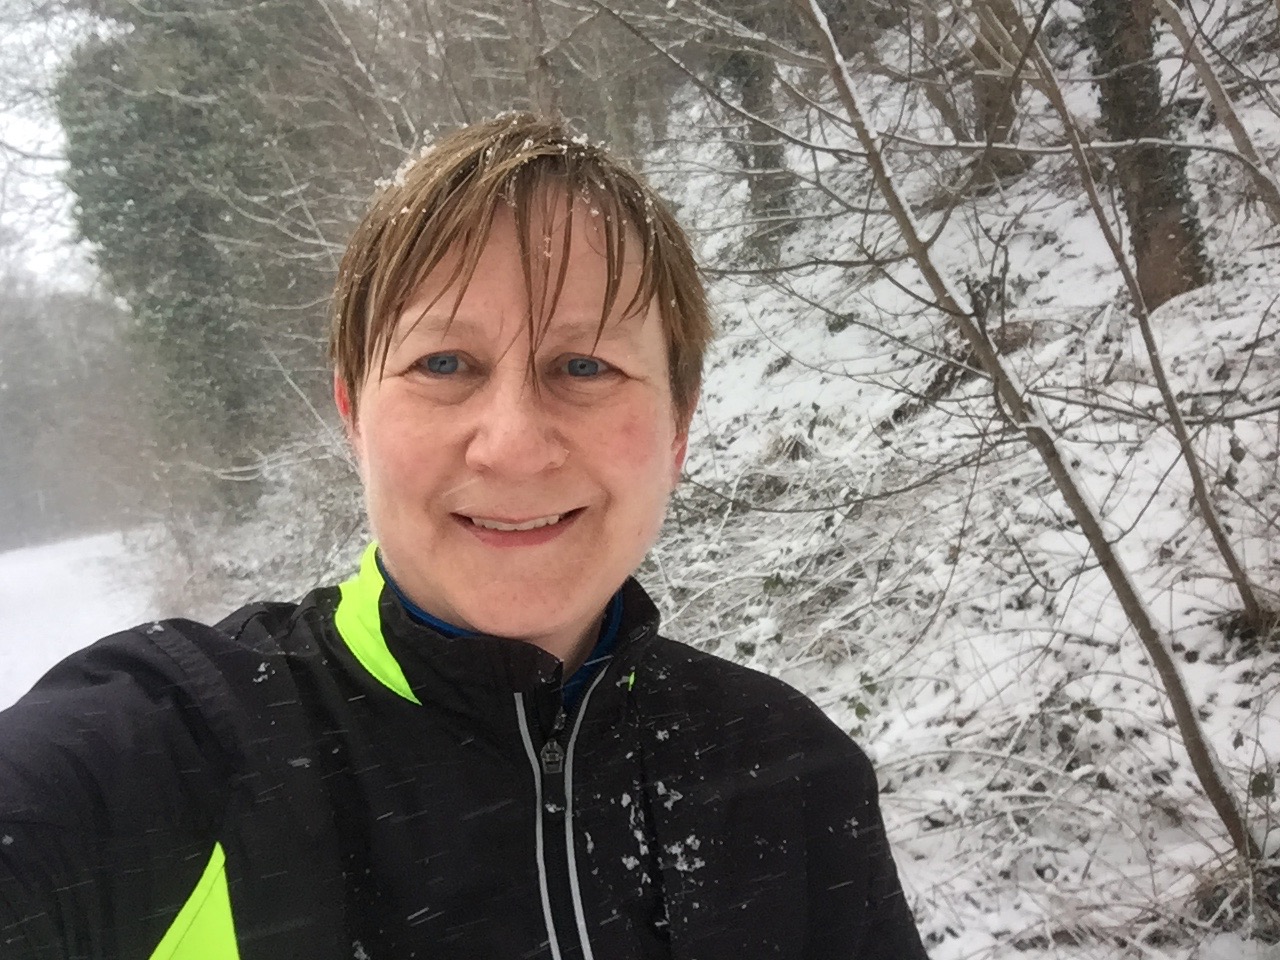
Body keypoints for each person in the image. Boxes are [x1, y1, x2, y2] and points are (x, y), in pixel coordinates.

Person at [0, 114, 929, 960]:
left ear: (678, 428)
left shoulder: (789, 773)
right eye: (443, 362)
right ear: (353, 413)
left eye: (585, 365)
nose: (514, 444)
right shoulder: (175, 746)